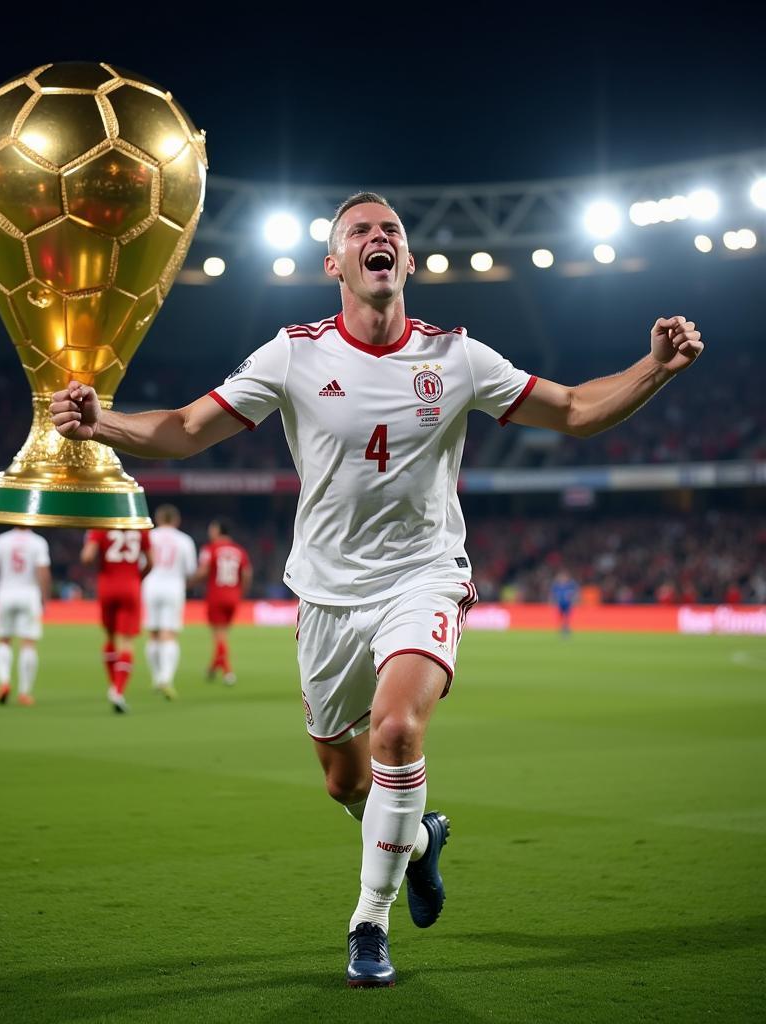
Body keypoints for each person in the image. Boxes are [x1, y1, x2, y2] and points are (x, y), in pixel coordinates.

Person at [51, 192, 704, 987]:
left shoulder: (457, 357)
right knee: (345, 780)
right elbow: (188, 429)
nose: (378, 238)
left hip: (423, 578)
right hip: (326, 596)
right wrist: (102, 422)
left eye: (390, 230)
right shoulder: (291, 355)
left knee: (397, 731)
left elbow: (570, 409)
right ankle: (420, 839)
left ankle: (369, 923)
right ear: (334, 264)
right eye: (360, 231)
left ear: (408, 260)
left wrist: (654, 370)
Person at [82, 527, 151, 713]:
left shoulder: (101, 525)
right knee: (126, 641)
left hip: (107, 585)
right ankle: (118, 690)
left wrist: (100, 567)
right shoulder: (139, 526)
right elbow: (151, 561)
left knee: (110, 638)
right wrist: (137, 577)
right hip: (130, 585)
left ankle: (113, 684)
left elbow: (87, 556)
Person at [0, 527, 51, 706]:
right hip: (29, 594)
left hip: (5, 593)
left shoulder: (0, 540)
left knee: (4, 640)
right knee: (28, 643)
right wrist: (45, 598)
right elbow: (43, 571)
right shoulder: (38, 542)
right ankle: (24, 693)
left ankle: (4, 682)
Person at [142, 504, 198, 700]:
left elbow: (142, 563)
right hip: (173, 586)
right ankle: (166, 678)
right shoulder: (184, 540)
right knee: (169, 634)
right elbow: (191, 570)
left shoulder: (149, 536)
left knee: (153, 634)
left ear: (157, 519)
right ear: (176, 520)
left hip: (150, 585)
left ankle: (156, 677)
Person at [193, 518, 252, 685]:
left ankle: (228, 672)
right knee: (223, 634)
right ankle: (212, 668)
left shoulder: (210, 549)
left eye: (212, 529)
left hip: (216, 596)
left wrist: (190, 581)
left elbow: (203, 571)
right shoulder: (239, 550)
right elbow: (247, 573)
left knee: (219, 636)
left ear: (217, 531)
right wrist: (241, 592)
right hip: (233, 596)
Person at [550, 569, 579, 636]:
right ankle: (563, 629)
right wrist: (552, 601)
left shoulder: (571, 584)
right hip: (560, 604)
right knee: (561, 617)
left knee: (567, 617)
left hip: (567, 604)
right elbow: (553, 594)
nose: (563, 578)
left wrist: (575, 599)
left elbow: (575, 593)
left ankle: (566, 629)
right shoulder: (557, 585)